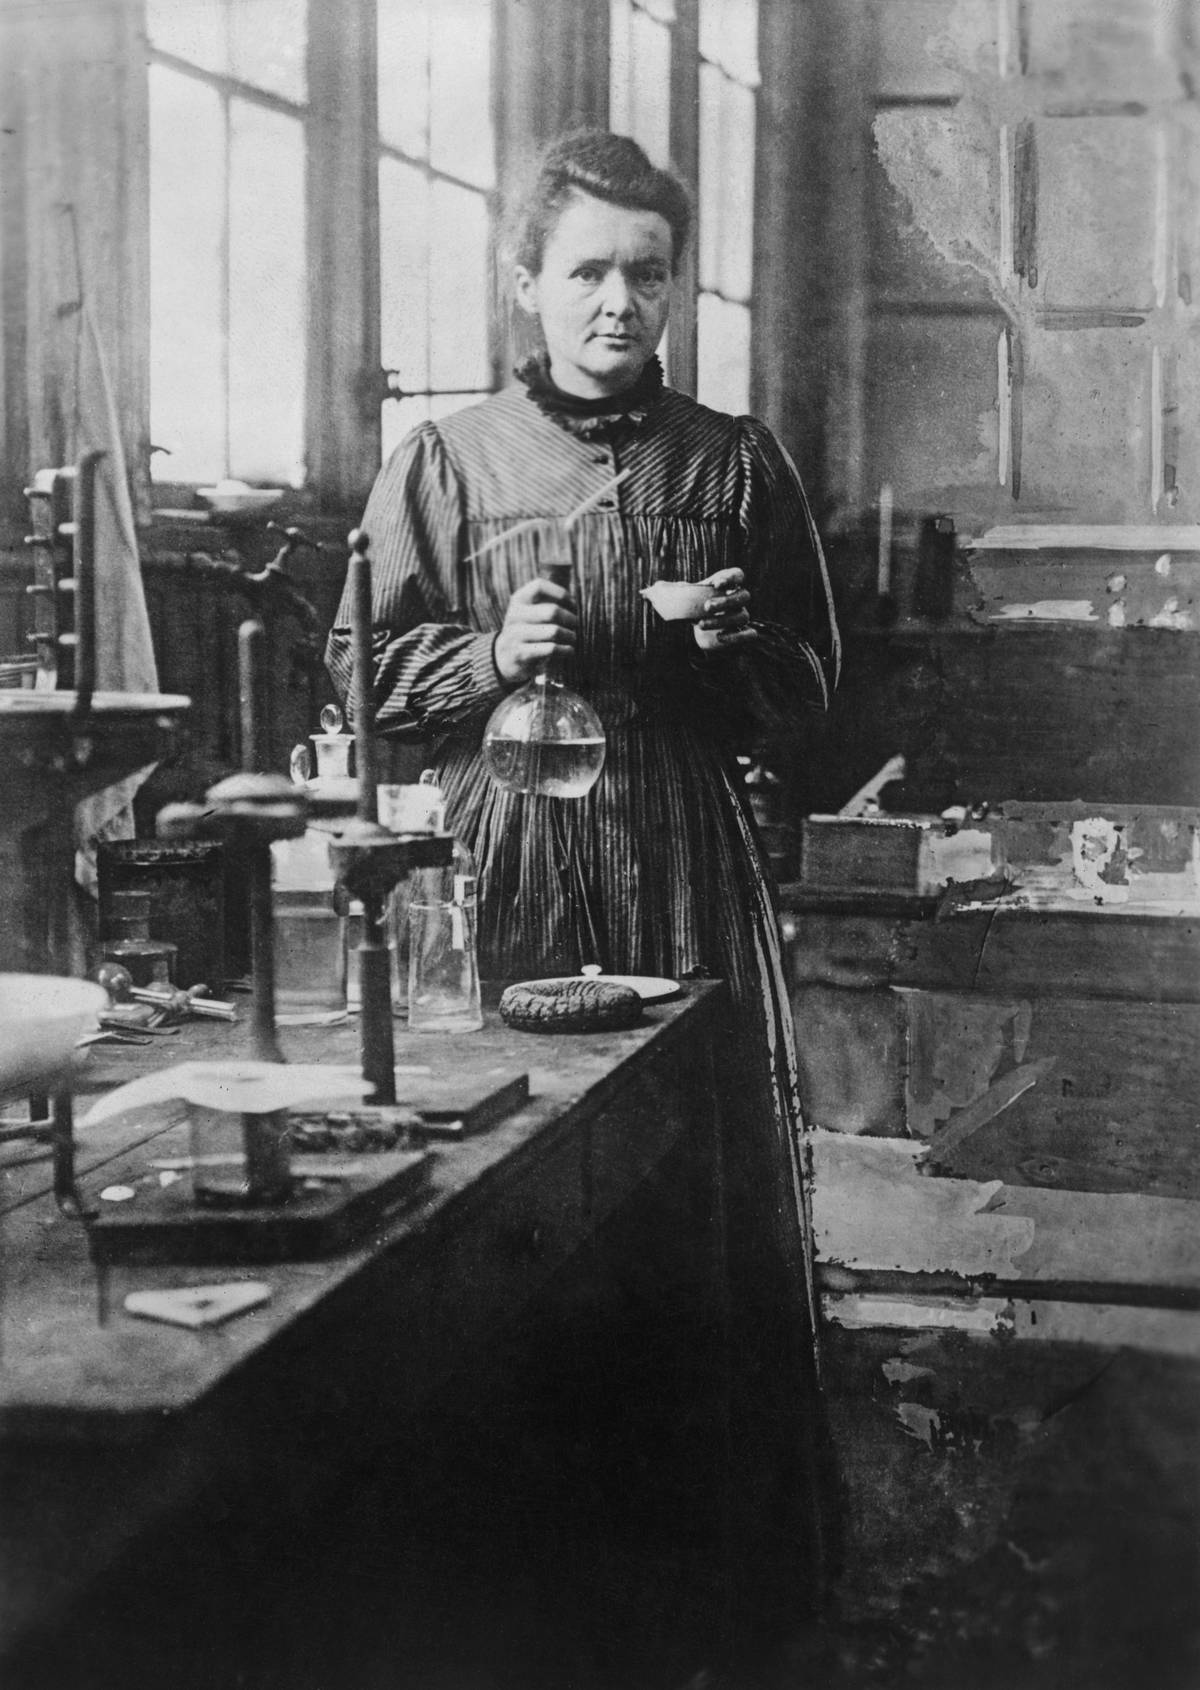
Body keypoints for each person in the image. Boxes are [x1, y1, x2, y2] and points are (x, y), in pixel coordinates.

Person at [327, 128, 840, 1654]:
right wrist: (496, 652)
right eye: (590, 272)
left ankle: (699, 1580)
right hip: (520, 861)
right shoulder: (445, 462)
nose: (621, 302)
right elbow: (359, 671)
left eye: (649, 274)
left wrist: (735, 643)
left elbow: (813, 692)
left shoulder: (736, 462)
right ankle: (513, 1578)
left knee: (699, 1200)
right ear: (528, 284)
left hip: (683, 854)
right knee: (511, 1193)